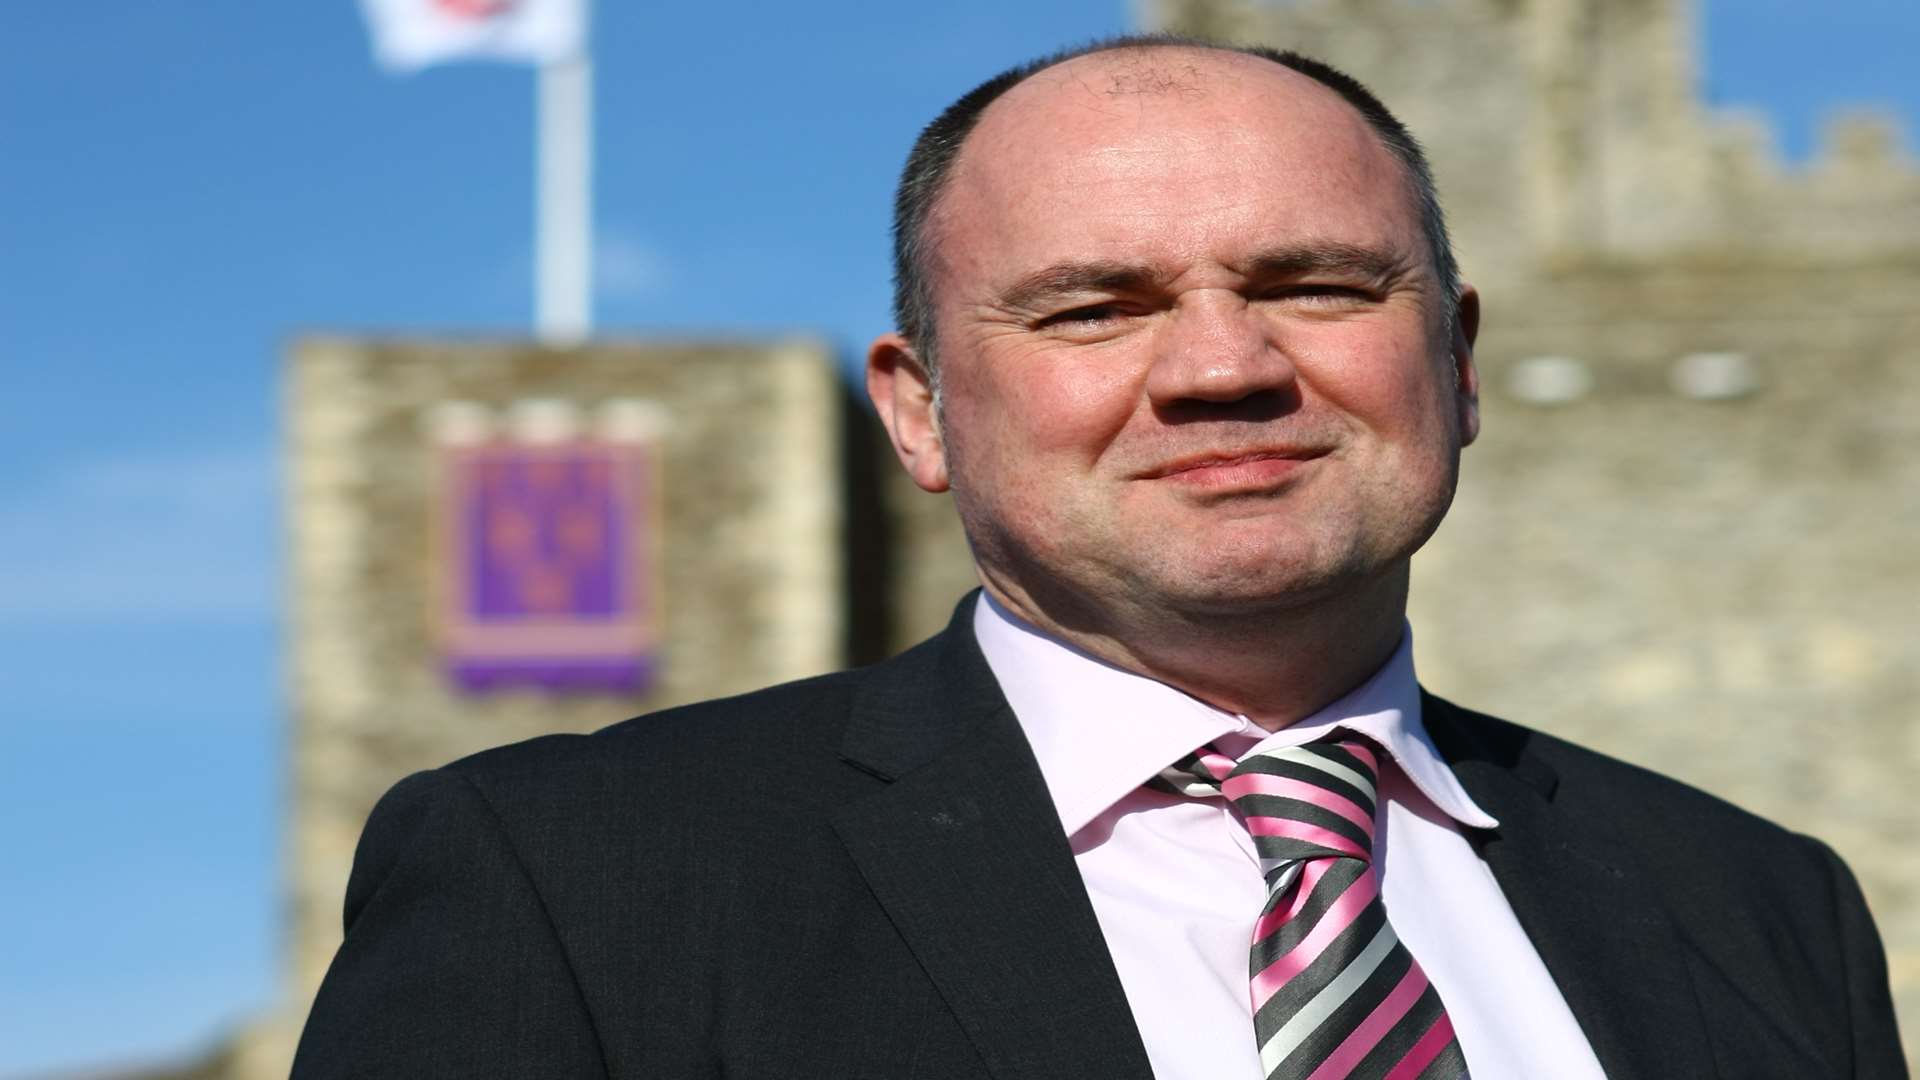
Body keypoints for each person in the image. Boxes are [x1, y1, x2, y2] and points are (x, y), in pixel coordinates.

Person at [292, 36, 1907, 1079]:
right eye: (1093, 308)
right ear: (920, 414)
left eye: (1322, 285)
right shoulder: (579, 882)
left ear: (1460, 364)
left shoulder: (1760, 910)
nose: (1223, 366)